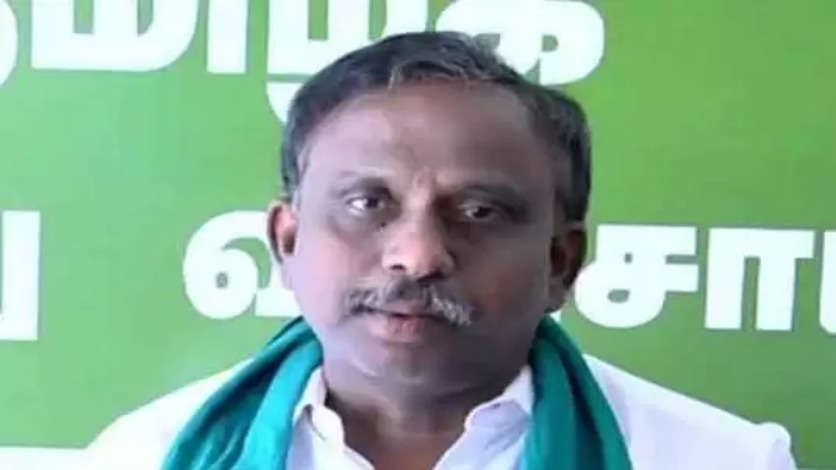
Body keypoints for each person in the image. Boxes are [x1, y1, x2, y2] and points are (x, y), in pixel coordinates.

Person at [84, 32, 797, 470]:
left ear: (560, 263)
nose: (418, 255)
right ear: (288, 240)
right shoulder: (146, 455)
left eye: (480, 212)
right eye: (368, 204)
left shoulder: (720, 460)